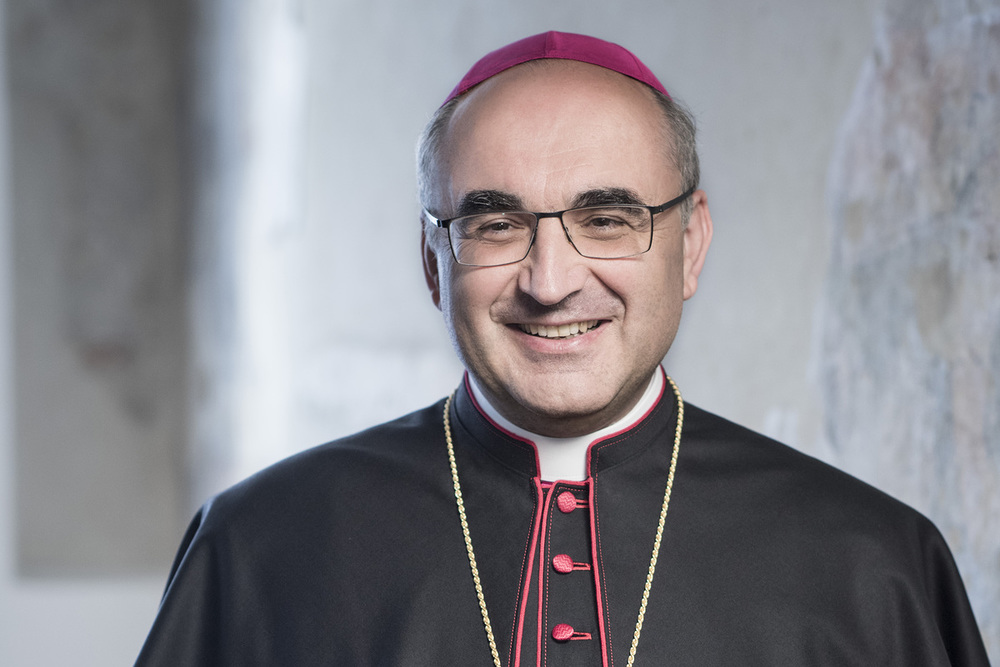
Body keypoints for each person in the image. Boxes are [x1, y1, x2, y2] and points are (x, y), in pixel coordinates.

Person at [135, 31, 989, 666]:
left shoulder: (873, 564)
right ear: (432, 262)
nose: (551, 281)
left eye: (607, 219)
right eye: (496, 224)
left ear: (691, 245)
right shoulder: (261, 546)